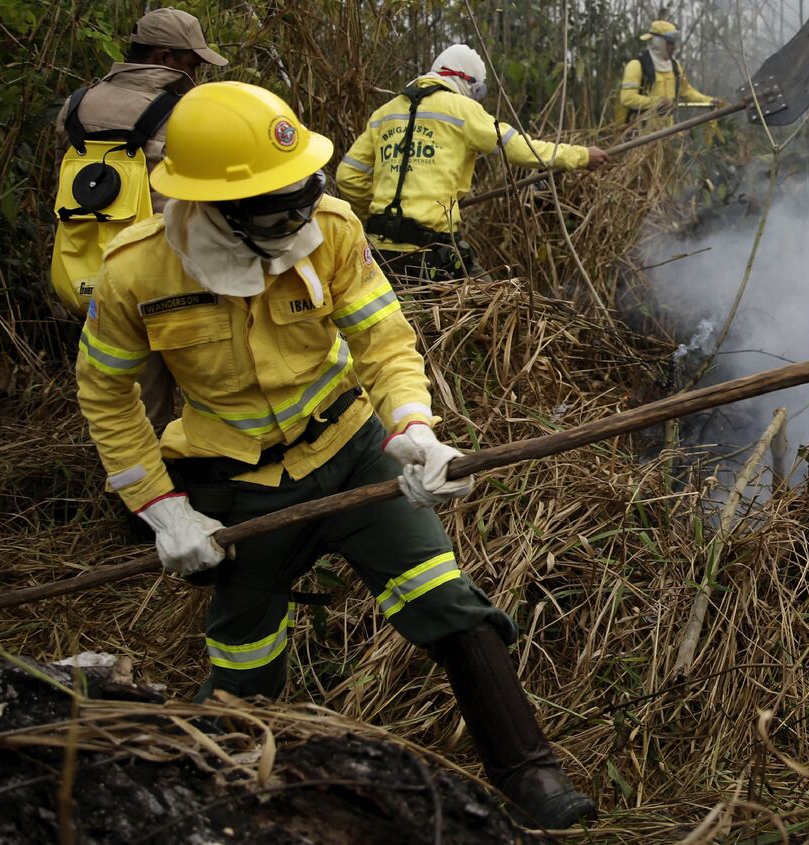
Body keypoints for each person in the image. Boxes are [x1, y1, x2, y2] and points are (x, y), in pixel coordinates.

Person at [75, 81, 598, 831]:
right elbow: (106, 396)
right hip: (239, 487)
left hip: (352, 453)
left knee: (450, 604)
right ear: (213, 204)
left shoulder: (332, 225)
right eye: (274, 206)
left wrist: (414, 429)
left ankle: (533, 777)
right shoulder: (137, 271)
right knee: (245, 663)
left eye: (301, 192)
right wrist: (163, 509)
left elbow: (383, 339)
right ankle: (212, 806)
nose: (298, 218)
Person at [51, 7, 227, 428]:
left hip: (91, 266)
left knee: (125, 397)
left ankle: (135, 478)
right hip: (164, 270)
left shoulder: (76, 106)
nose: (197, 73)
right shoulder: (180, 113)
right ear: (166, 58)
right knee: (212, 390)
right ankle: (187, 480)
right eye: (193, 63)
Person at [336, 44, 607, 282]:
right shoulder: (461, 109)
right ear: (464, 79)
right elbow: (521, 149)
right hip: (431, 252)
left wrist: (377, 215)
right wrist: (581, 156)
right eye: (477, 90)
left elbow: (348, 175)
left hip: (379, 254)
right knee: (500, 311)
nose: (475, 98)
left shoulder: (384, 113)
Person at [613, 20, 723, 127]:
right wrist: (657, 102)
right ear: (658, 42)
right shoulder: (637, 65)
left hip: (665, 134)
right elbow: (627, 98)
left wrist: (709, 100)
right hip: (639, 135)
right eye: (670, 42)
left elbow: (687, 92)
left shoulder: (675, 67)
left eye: (674, 43)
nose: (674, 47)